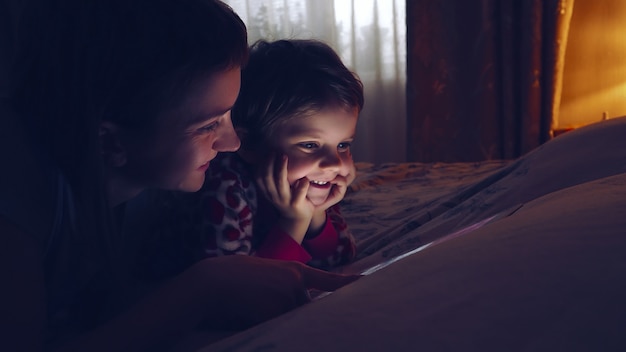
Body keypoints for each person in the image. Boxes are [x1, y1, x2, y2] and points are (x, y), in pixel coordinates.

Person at [0, 1, 359, 351]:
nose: (234, 142)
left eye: (230, 116)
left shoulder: (153, 187)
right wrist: (200, 290)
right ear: (109, 141)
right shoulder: (18, 202)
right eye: (207, 126)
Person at [125, 39, 363, 281]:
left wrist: (316, 213)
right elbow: (248, 288)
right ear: (250, 146)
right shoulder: (224, 188)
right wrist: (295, 220)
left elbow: (338, 260)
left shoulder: (311, 181)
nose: (333, 163)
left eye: (343, 145)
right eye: (310, 145)